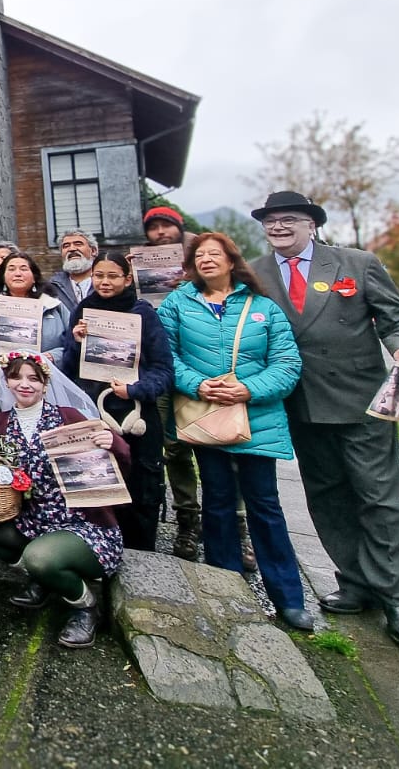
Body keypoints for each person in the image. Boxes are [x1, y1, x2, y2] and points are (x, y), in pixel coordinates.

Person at [249, 191, 399, 652]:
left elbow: (397, 318)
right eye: (271, 220)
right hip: (300, 404)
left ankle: (397, 599)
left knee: (380, 497)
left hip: (360, 403)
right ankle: (356, 582)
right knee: (327, 496)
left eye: (289, 219)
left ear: (312, 224)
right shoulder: (254, 272)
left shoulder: (357, 263)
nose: (278, 227)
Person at [157, 233, 314, 630]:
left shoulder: (263, 307)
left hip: (257, 420)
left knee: (265, 505)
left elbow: (287, 363)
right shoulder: (177, 303)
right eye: (199, 255)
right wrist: (197, 384)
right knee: (217, 500)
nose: (207, 260)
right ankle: (223, 586)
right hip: (206, 417)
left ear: (231, 261)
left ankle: (288, 597)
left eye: (215, 254)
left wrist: (249, 389)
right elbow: (166, 355)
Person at [0, 353, 131, 648]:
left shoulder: (69, 417)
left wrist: (115, 443)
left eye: (33, 378)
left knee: (39, 557)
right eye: (17, 377)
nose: (25, 384)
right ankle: (45, 579)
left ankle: (85, 607)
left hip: (83, 525)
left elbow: (120, 464)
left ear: (46, 384)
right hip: (31, 522)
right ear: (7, 382)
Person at [62, 251, 173, 553]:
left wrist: (135, 389)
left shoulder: (143, 313)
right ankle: (100, 552)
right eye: (99, 275)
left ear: (127, 279)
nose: (105, 282)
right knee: (96, 487)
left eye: (113, 276)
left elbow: (164, 370)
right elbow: (68, 370)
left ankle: (142, 554)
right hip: (92, 412)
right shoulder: (83, 309)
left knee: (141, 488)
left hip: (137, 415)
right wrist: (76, 341)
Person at [142, 204, 204, 562]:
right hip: (161, 365)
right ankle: (187, 521)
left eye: (166, 225)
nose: (161, 233)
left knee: (214, 446)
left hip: (200, 366)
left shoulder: (201, 260)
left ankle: (234, 524)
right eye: (154, 228)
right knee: (173, 448)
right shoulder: (144, 263)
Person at [0, 252, 93, 417]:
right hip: (3, 384)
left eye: (24, 269)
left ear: (34, 277)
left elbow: (71, 343)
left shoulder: (54, 306)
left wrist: (53, 357)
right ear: (3, 276)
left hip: (48, 383)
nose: (17, 273)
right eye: (11, 269)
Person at [45, 230, 98, 313]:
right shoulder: (51, 287)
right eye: (66, 246)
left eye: (78, 244)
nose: (72, 249)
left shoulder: (106, 283)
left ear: (93, 251)